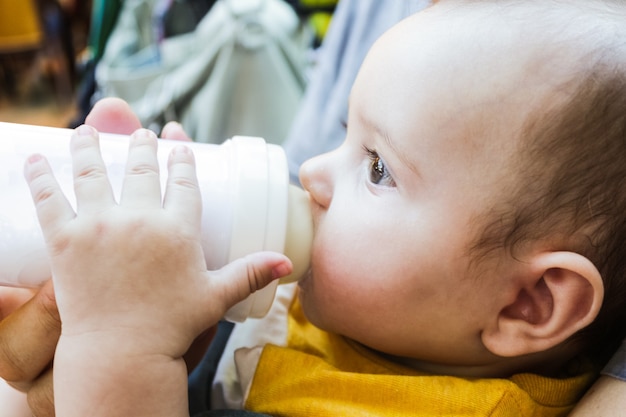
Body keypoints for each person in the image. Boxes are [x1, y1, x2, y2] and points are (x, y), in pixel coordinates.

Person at [2, 0, 626, 415]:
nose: (313, 171)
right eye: (344, 134)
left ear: (529, 304)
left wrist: (122, 345)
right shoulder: (388, 324)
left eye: (377, 167)